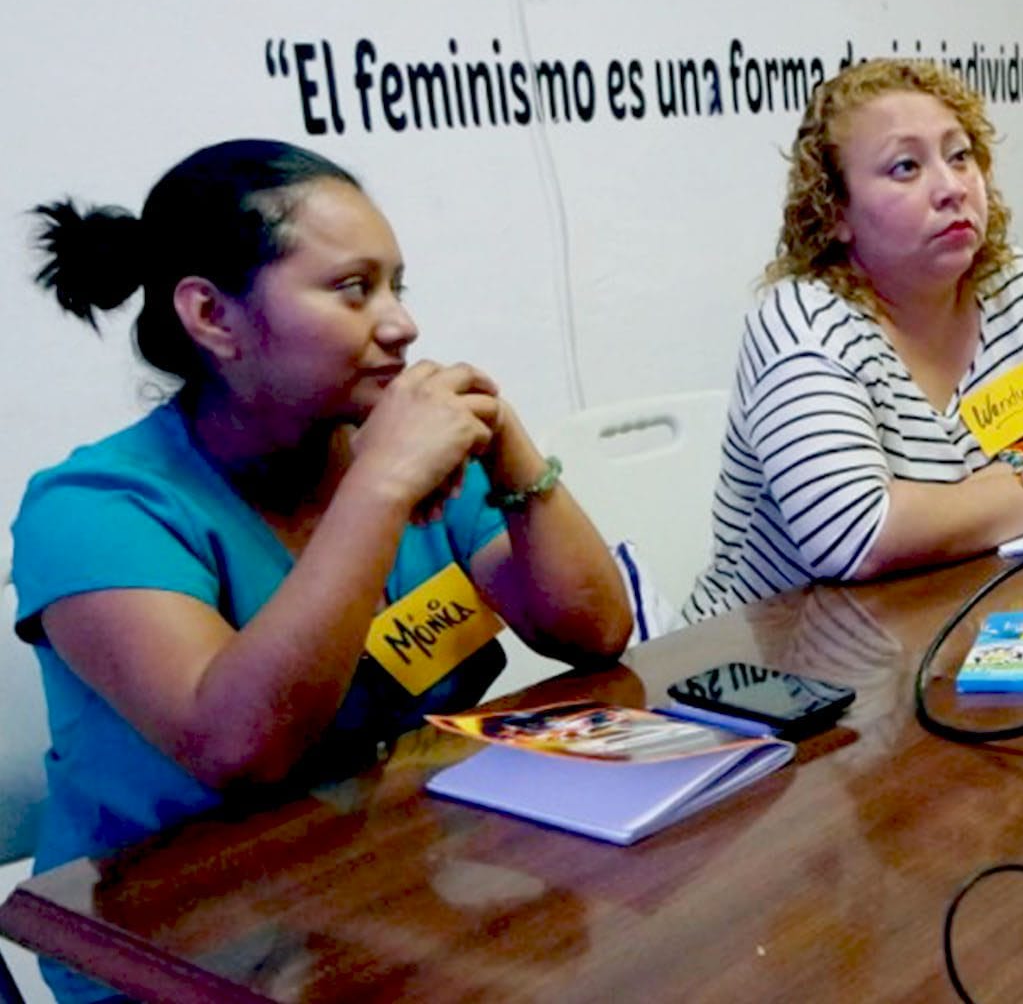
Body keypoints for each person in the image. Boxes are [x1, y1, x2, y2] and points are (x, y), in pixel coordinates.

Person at [15, 140, 632, 1001]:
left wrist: (512, 448)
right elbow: (242, 748)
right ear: (212, 317)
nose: (401, 323)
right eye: (353, 288)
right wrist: (377, 491)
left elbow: (592, 632)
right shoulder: (93, 510)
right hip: (185, 951)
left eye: (397, 286)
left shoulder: (386, 451)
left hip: (392, 891)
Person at [682, 60, 1023, 621]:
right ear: (835, 213)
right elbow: (859, 536)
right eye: (905, 168)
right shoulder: (803, 324)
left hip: (954, 618)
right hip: (773, 663)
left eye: (960, 156)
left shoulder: (1015, 285)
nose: (952, 188)